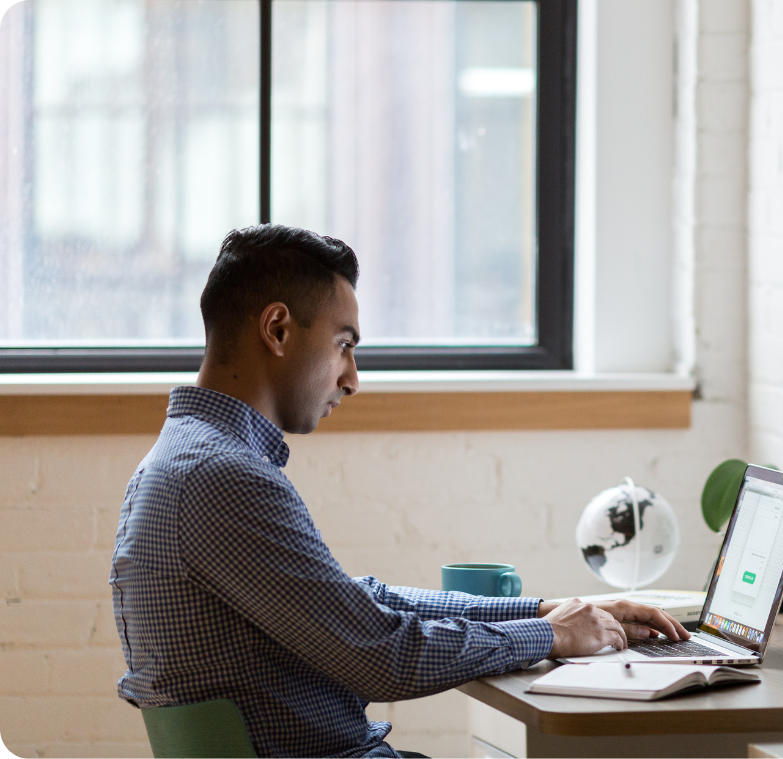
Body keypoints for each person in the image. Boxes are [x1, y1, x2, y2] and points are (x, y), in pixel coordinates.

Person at [109, 224, 690, 758]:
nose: (352, 378)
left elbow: (359, 603)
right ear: (278, 329)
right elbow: (380, 656)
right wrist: (552, 635)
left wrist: (544, 610)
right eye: (344, 343)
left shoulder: (186, 463)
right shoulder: (222, 478)